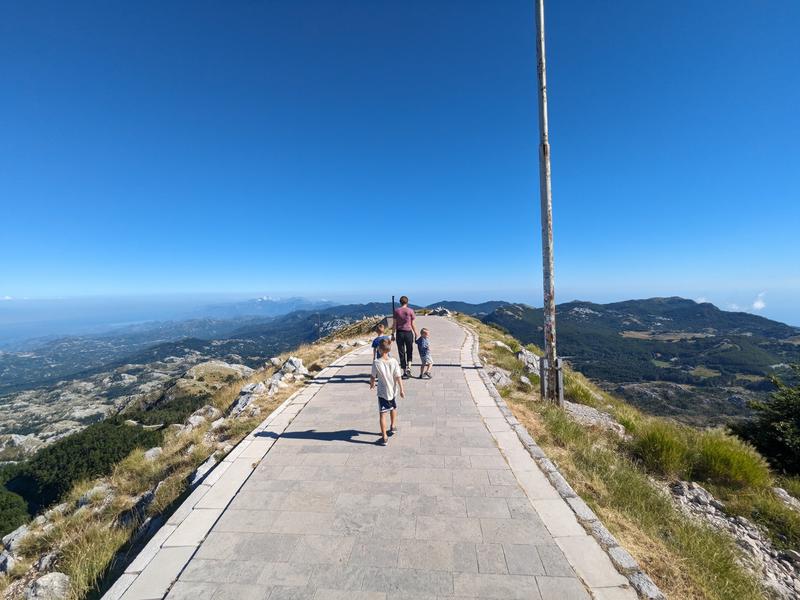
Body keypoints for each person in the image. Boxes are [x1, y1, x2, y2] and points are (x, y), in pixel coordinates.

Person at [369, 338, 404, 445]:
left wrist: (372, 384)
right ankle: (393, 426)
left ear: (379, 349)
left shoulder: (376, 362)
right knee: (393, 408)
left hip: (382, 392)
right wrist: (402, 389)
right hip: (393, 390)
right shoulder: (394, 361)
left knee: (382, 414)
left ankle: (384, 437)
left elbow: (372, 376)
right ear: (389, 349)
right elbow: (398, 376)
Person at [392, 295, 417, 379]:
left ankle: (404, 371)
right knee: (409, 350)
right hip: (409, 333)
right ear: (407, 302)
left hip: (399, 333)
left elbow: (394, 324)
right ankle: (409, 367)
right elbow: (412, 324)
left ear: (400, 302)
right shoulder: (410, 311)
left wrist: (392, 334)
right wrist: (416, 333)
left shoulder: (396, 311)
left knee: (401, 352)